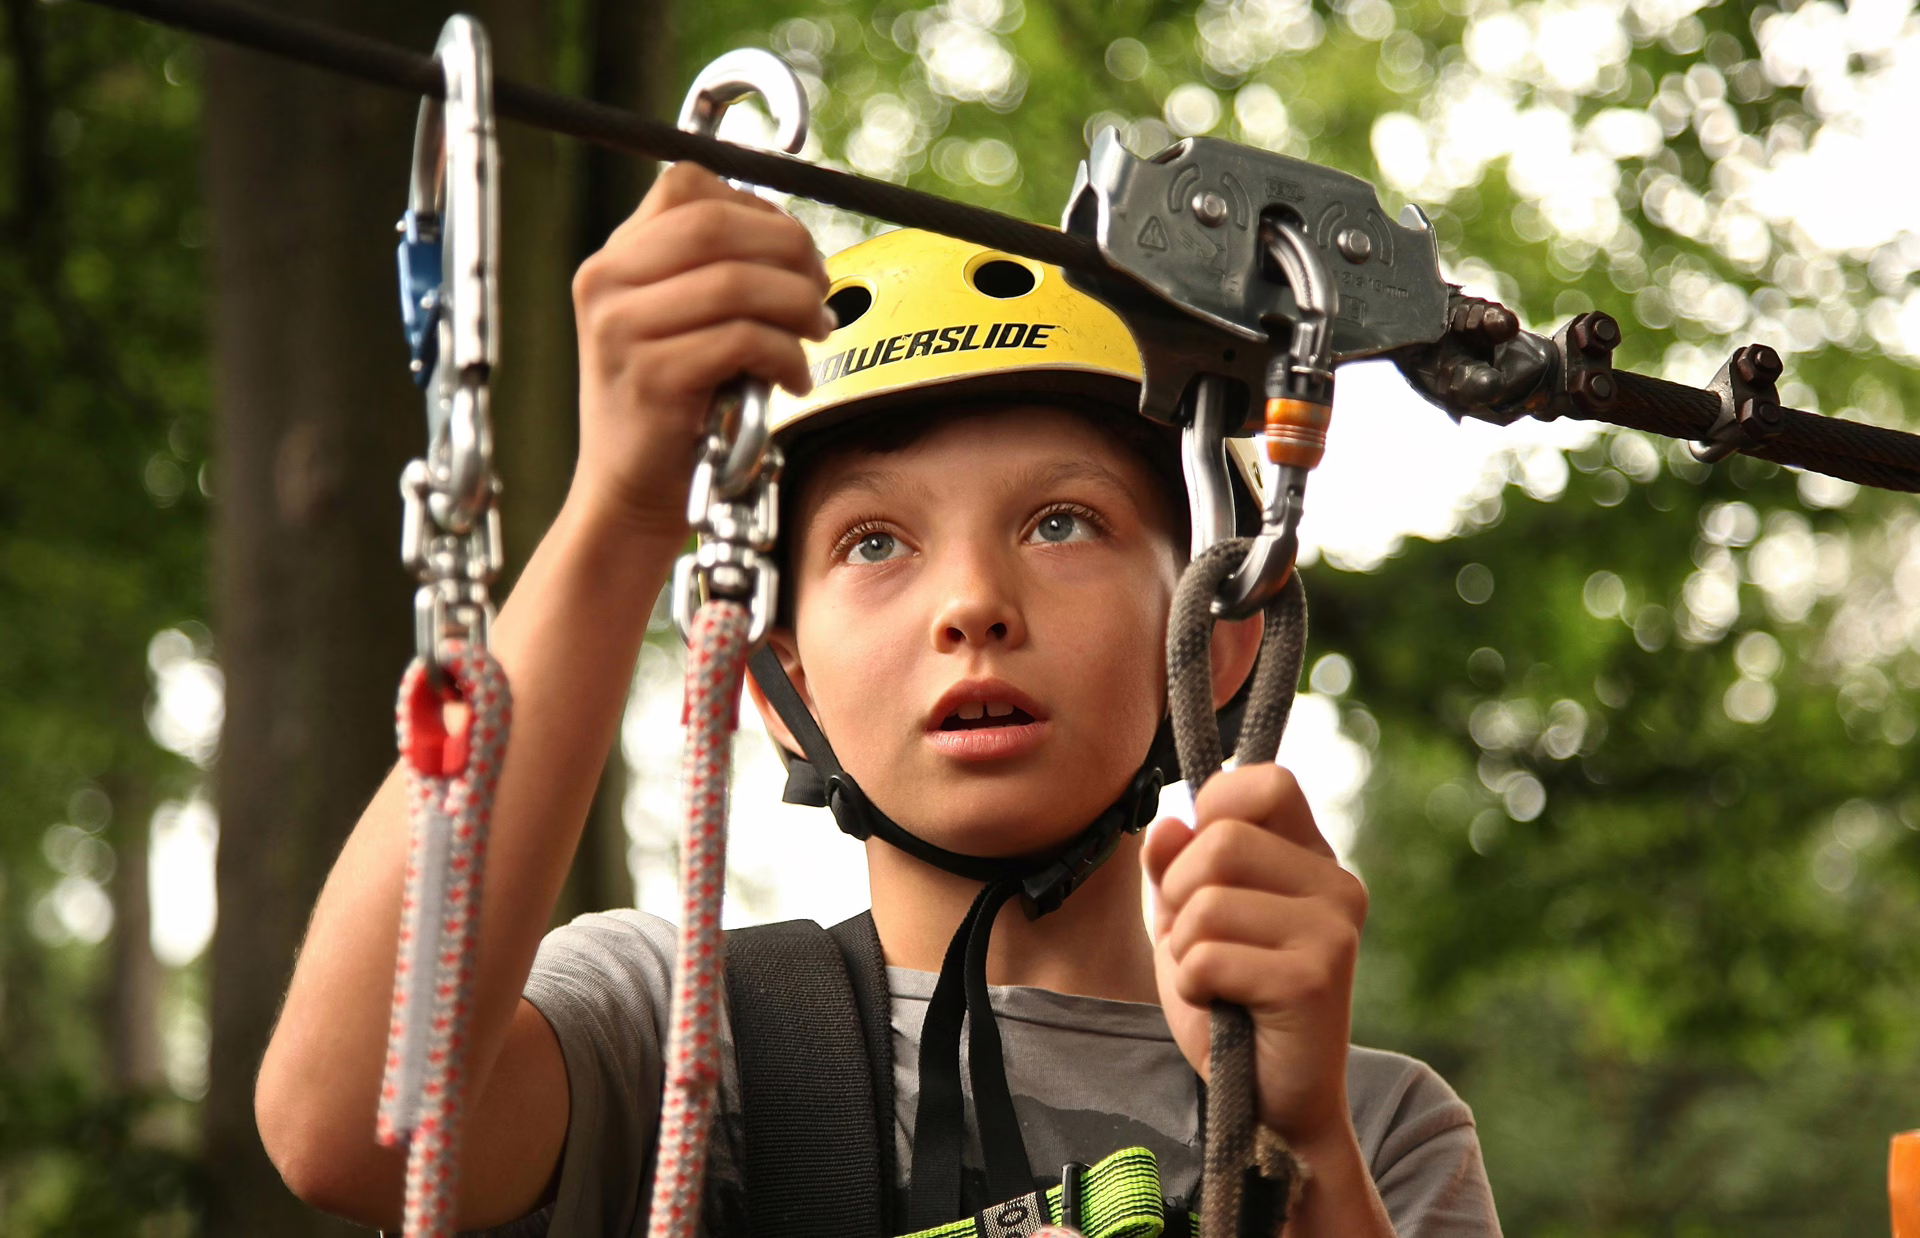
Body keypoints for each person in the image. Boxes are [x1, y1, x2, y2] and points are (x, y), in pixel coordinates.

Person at [254, 161, 1502, 1238]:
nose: (973, 602)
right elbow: (355, 1126)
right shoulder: (677, 1045)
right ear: (782, 682)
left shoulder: (1381, 1129)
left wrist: (1302, 1147)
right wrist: (622, 503)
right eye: (874, 542)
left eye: (1062, 522)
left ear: (1213, 641)